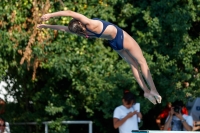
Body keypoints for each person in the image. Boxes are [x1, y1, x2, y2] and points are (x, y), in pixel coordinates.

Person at [37, 10, 162, 104]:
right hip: (121, 37)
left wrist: (46, 27)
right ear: (80, 22)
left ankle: (145, 91)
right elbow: (70, 12)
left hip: (114, 44)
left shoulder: (83, 33)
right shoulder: (89, 23)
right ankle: (153, 90)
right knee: (142, 62)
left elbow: (63, 29)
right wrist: (50, 15)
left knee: (133, 65)